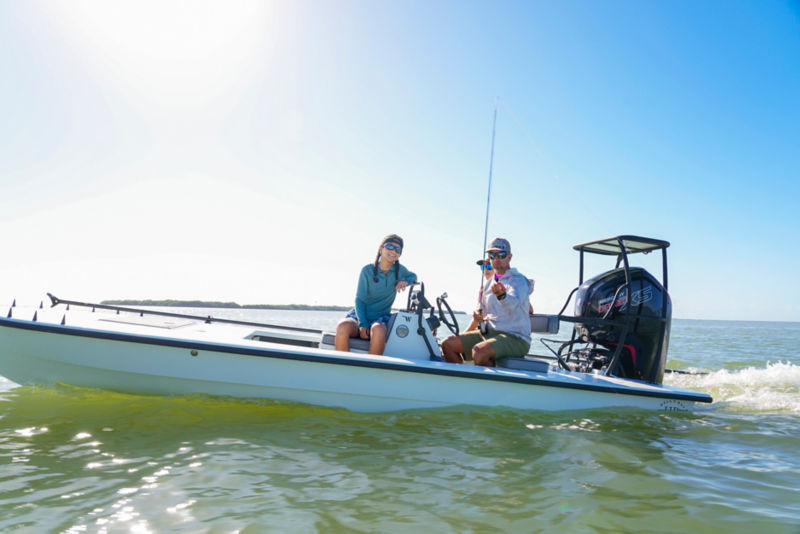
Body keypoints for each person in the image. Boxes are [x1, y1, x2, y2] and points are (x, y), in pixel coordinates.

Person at [442, 237, 533, 366]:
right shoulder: (488, 284)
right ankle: (460, 378)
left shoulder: (518, 280)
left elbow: (513, 304)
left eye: (501, 255)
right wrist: (478, 314)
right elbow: (483, 311)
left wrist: (502, 296)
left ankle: (487, 380)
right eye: (492, 255)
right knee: (448, 344)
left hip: (516, 338)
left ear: (509, 257)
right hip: (490, 333)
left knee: (479, 352)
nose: (496, 259)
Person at [335, 234, 417, 355]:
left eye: (398, 249)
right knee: (343, 326)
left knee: (379, 330)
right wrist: (363, 324)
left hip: (380, 318)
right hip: (359, 316)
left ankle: (371, 366)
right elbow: (359, 300)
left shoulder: (400, 270)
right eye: (390, 246)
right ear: (380, 249)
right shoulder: (367, 270)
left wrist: (405, 282)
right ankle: (342, 364)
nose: (393, 251)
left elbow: (413, 276)